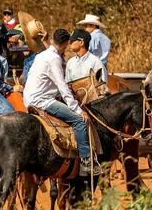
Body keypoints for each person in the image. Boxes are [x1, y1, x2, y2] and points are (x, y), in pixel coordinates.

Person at [24, 27, 101, 176]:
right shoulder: (55, 59)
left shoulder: (42, 55)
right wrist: (78, 110)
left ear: (53, 40)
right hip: (43, 101)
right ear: (65, 44)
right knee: (79, 121)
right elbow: (62, 87)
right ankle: (86, 162)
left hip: (29, 98)